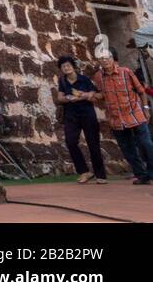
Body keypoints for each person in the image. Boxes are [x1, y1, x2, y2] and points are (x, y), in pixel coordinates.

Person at [94, 53, 153, 184]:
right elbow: (102, 94)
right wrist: (94, 96)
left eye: (107, 57)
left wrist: (146, 109)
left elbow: (141, 91)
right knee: (129, 151)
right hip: (116, 120)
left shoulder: (126, 72)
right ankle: (142, 175)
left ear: (113, 59)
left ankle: (151, 173)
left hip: (135, 115)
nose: (105, 60)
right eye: (101, 58)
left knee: (146, 144)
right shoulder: (99, 77)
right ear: (99, 61)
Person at [53, 55, 106, 184]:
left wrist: (83, 96)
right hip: (70, 115)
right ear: (61, 69)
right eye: (63, 66)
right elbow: (59, 98)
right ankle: (84, 172)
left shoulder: (84, 79)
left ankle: (100, 175)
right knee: (71, 142)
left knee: (93, 143)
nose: (66, 68)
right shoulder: (62, 81)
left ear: (73, 66)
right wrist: (69, 98)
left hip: (87, 114)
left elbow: (96, 94)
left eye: (68, 65)